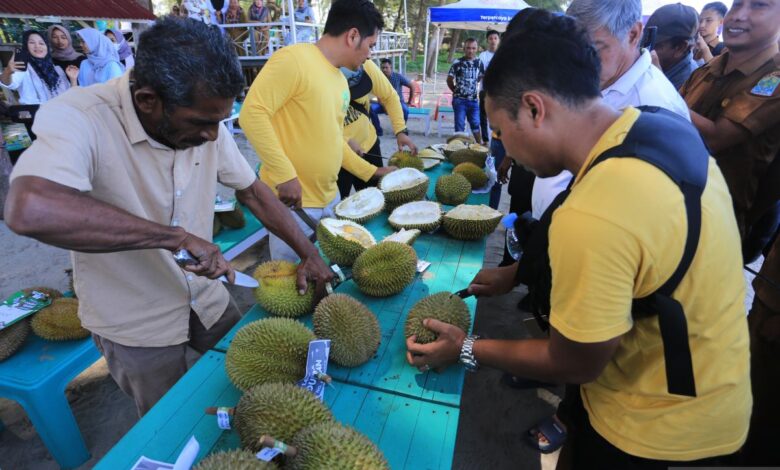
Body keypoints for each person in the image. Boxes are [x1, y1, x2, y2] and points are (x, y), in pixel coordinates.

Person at [406, 8, 751, 465]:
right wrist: (515, 274)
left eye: (504, 131)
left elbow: (576, 362)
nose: (505, 146)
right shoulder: (652, 126)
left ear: (534, 107)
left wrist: (466, 347)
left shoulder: (596, 212)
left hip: (658, 427)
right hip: (714, 384)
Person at [3, 17, 333, 417]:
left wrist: (307, 252)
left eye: (219, 122)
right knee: (171, 423)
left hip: (207, 296)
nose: (213, 135)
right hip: (136, 320)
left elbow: (253, 192)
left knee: (256, 392)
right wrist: (172, 236)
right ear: (147, 100)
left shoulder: (202, 117)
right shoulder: (80, 116)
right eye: (201, 123)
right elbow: (30, 208)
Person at [240, 0, 395, 263]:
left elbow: (335, 140)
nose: (369, 54)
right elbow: (252, 114)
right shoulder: (293, 60)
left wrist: (372, 171)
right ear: (353, 36)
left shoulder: (338, 80)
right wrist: (284, 174)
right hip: (293, 207)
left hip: (330, 199)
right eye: (370, 45)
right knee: (291, 284)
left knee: (327, 277)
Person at [531, 0, 690, 222]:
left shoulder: (655, 107)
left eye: (593, 48)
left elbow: (642, 215)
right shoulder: (597, 77)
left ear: (633, 34)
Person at [680, 0, 780, 241]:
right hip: (667, 198)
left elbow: (714, 138)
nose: (739, 15)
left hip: (713, 224)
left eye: (758, 5)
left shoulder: (774, 79)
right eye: (737, 5)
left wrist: (655, 86)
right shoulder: (709, 68)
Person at [339, 60, 417, 199]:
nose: (369, 54)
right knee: (340, 204)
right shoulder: (319, 77)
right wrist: (345, 141)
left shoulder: (364, 62)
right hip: (338, 156)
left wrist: (400, 131)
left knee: (376, 199)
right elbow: (319, 131)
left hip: (369, 145)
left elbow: (390, 96)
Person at [0, 30, 78, 104]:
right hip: (35, 115)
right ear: (26, 47)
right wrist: (8, 71)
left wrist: (73, 79)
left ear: (47, 47)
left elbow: (70, 96)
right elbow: (10, 84)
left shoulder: (57, 70)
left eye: (41, 43)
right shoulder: (24, 67)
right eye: (32, 42)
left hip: (60, 114)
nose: (37, 46)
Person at [646, 2, 700, 89]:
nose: (646, 50)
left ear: (680, 48)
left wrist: (658, 80)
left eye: (655, 45)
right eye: (646, 42)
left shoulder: (690, 85)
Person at [447, 38, 484, 144]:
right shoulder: (457, 62)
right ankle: (459, 148)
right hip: (460, 100)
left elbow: (480, 76)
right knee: (459, 125)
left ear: (477, 49)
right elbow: (449, 79)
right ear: (464, 48)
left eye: (473, 48)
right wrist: (455, 90)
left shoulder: (479, 62)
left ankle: (480, 146)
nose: (470, 50)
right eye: (468, 48)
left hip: (473, 100)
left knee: (476, 124)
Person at [369, 59, 413, 137]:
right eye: (382, 68)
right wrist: (385, 107)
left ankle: (401, 131)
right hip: (383, 103)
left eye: (386, 67)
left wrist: (409, 101)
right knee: (371, 109)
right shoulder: (379, 78)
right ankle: (378, 130)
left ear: (391, 67)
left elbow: (411, 86)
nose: (384, 70)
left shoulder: (398, 77)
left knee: (405, 110)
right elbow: (378, 95)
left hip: (398, 102)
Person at [478, 30, 500, 140]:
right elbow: (480, 74)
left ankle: (497, 138)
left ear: (498, 40)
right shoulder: (483, 55)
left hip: (499, 91)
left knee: (498, 116)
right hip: (484, 90)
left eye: (495, 38)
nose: (493, 41)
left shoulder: (502, 54)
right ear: (487, 40)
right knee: (483, 116)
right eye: (490, 38)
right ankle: (485, 140)